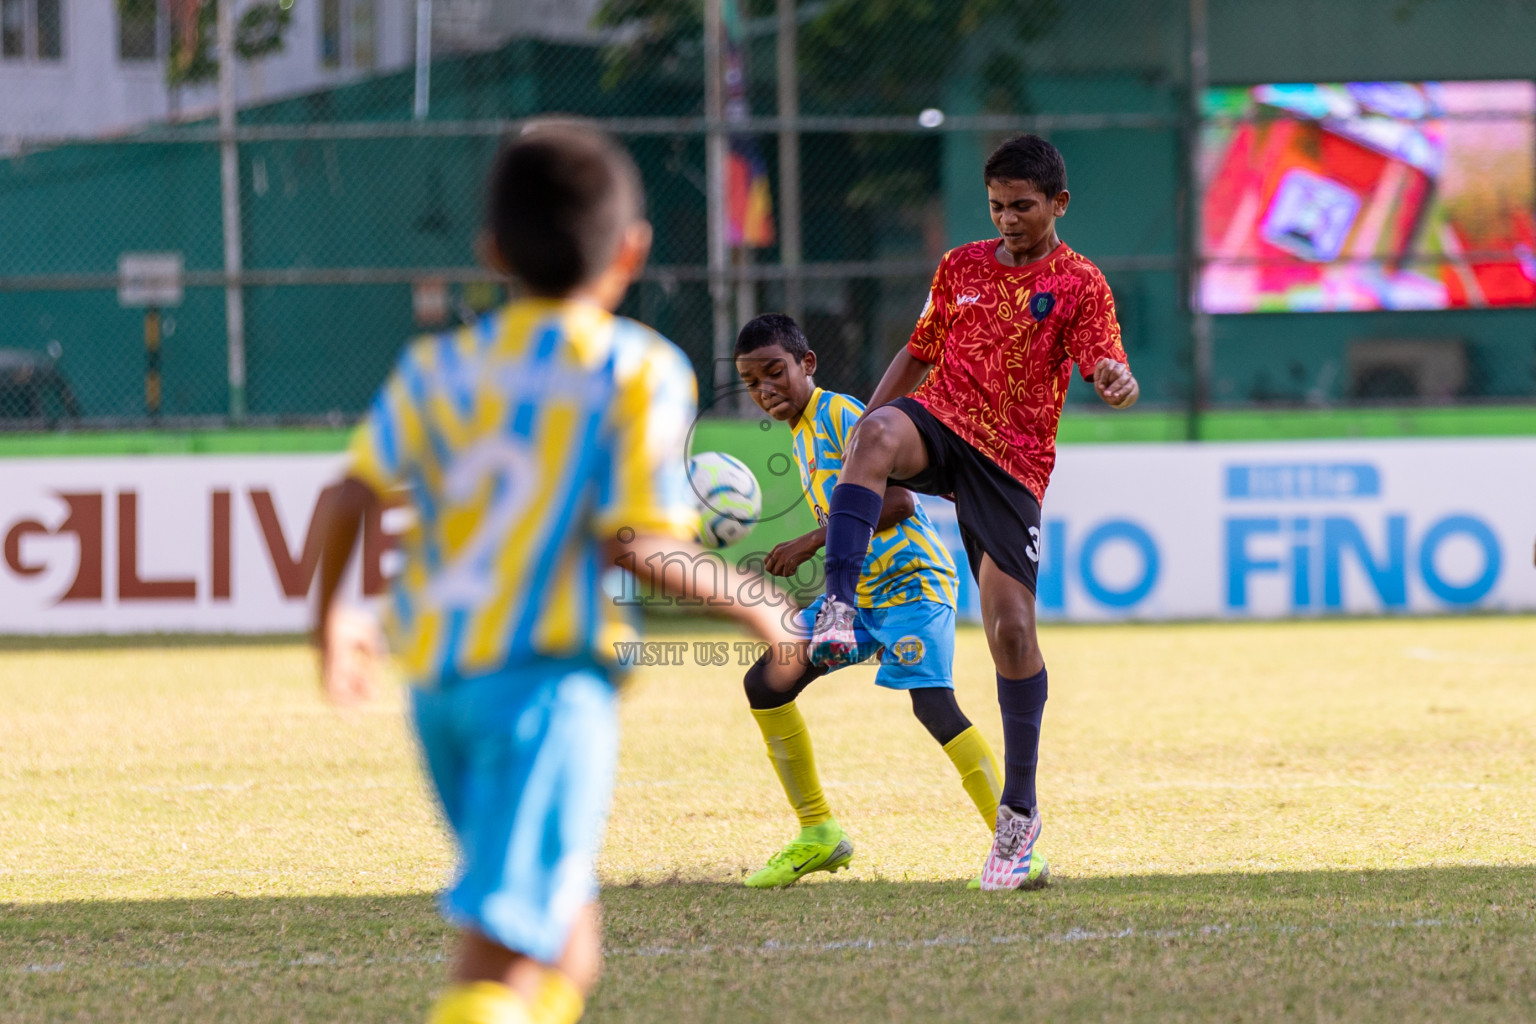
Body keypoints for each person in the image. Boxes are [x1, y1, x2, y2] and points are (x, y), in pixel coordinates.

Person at [312, 124, 800, 1024]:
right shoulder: (633, 369)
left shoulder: (440, 366)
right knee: (499, 952)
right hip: (543, 684)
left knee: (568, 933)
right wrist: (757, 601)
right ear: (632, 250)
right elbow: (636, 541)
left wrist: (336, 616)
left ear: (491, 252)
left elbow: (347, 497)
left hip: (442, 686)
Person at [808, 134, 1140, 892]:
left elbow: (1101, 357)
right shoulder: (959, 266)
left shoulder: (1082, 282)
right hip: (942, 420)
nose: (1008, 219)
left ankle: (1018, 818)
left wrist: (1115, 379)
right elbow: (920, 350)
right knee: (882, 430)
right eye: (997, 206)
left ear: (1059, 203)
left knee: (1011, 631)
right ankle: (834, 609)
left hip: (1013, 463)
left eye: (1023, 206)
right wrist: (867, 424)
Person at [732, 312, 1006, 888]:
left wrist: (809, 541)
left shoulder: (842, 415)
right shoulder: (800, 431)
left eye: (775, 372)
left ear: (807, 364)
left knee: (933, 706)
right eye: (752, 382)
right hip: (860, 598)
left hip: (913, 585)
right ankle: (819, 834)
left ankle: (1014, 844)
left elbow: (901, 503)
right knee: (766, 683)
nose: (765, 390)